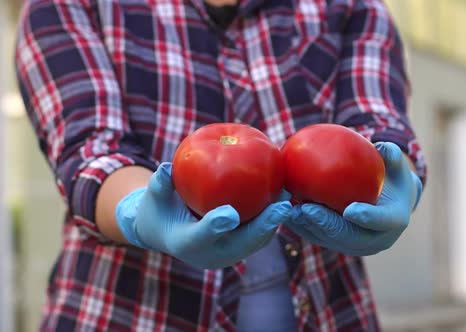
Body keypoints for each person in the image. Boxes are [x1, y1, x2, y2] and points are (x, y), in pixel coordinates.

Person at [15, 0, 426, 330]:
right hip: (124, 313)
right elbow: (90, 148)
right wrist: (138, 211)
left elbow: (377, 125)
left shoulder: (352, 7)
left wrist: (393, 177)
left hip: (331, 312)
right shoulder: (71, 5)